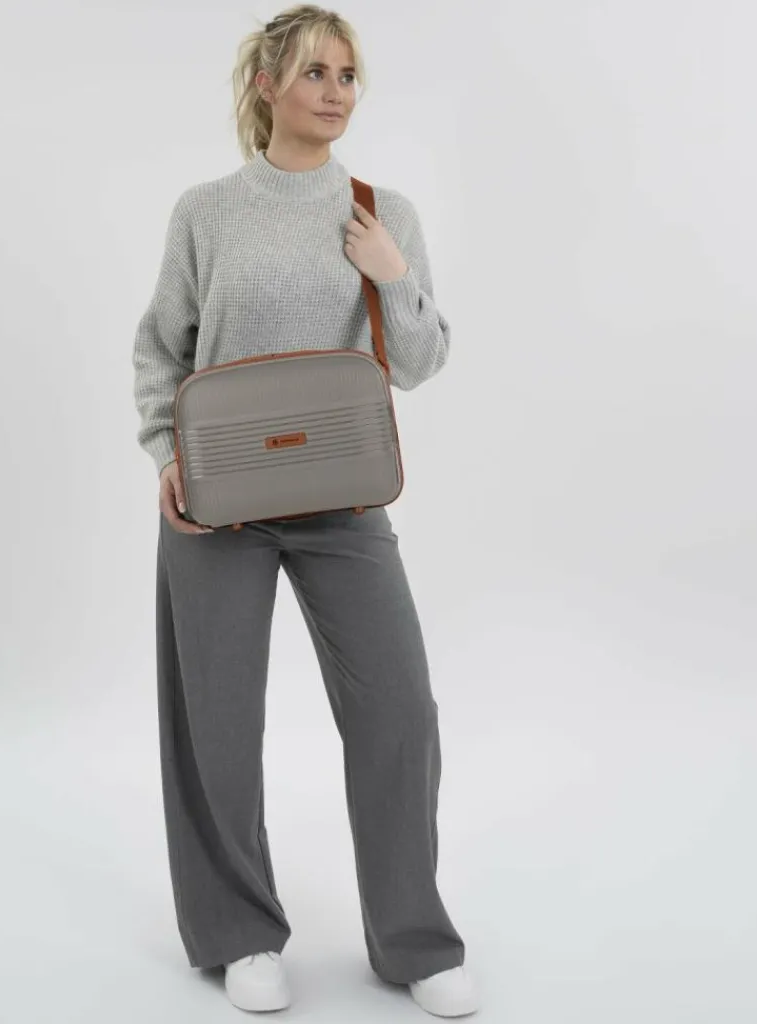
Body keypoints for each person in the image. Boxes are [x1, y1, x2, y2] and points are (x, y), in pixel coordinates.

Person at [131, 4, 479, 1017]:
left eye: (348, 74)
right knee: (216, 725)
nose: (336, 91)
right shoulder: (206, 211)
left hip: (342, 500)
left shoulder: (381, 211)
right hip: (217, 502)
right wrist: (166, 453)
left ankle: (413, 940)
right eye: (315, 72)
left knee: (400, 713)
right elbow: (160, 347)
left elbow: (418, 362)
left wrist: (393, 276)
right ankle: (240, 933)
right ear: (266, 85)